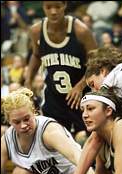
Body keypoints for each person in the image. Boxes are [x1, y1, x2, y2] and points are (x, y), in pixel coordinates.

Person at [25, 1, 97, 139]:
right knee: (54, 141)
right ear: (43, 7)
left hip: (80, 97)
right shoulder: (36, 31)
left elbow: (96, 63)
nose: (53, 11)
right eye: (48, 7)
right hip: (54, 98)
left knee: (89, 140)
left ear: (64, 5)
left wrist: (80, 86)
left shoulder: (81, 31)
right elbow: (36, 55)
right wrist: (28, 80)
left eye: (57, 7)